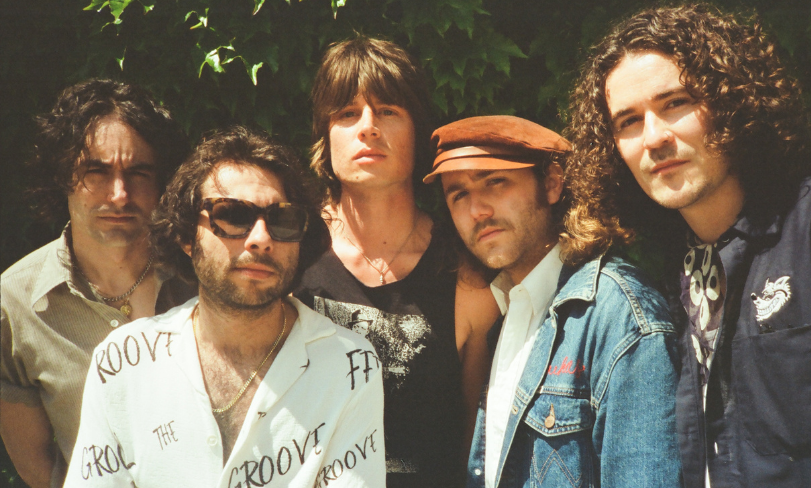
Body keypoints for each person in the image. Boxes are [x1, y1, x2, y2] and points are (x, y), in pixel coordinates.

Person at [568, 3, 811, 487]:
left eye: (675, 103)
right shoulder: (669, 274)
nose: (654, 137)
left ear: (732, 101)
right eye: (628, 121)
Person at [63, 127, 386, 487]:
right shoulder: (122, 363)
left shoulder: (348, 366)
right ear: (187, 236)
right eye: (232, 215)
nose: (261, 238)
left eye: (282, 220)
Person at [424, 115, 682, 487]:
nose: (477, 210)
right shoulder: (500, 311)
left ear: (552, 183)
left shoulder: (617, 312)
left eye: (495, 182)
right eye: (458, 194)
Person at [294, 37, 499, 487]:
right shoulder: (290, 247)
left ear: (418, 131)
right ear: (324, 137)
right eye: (347, 113)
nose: (368, 127)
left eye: (388, 111)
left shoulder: (465, 275)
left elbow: (473, 444)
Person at [0, 79, 194, 488]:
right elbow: (40, 468)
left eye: (138, 173)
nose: (120, 195)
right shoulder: (13, 305)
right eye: (97, 172)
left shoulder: (202, 276)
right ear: (63, 176)